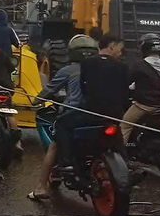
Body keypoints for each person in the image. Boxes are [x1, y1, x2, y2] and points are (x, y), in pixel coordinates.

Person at [28, 34, 97, 201]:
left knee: (54, 146)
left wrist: (35, 101)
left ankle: (40, 187)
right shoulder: (100, 68)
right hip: (100, 115)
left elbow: (48, 91)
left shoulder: (68, 70)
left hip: (74, 114)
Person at [52, 34, 130, 169]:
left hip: (91, 113)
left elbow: (84, 88)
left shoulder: (88, 63)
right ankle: (125, 163)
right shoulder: (122, 66)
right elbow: (125, 92)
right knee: (117, 134)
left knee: (61, 124)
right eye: (120, 48)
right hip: (115, 114)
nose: (120, 52)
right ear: (111, 46)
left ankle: (66, 162)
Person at [121, 33, 160, 144]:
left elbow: (126, 82)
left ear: (143, 48)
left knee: (125, 124)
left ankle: (119, 155)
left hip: (145, 105)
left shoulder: (139, 65)